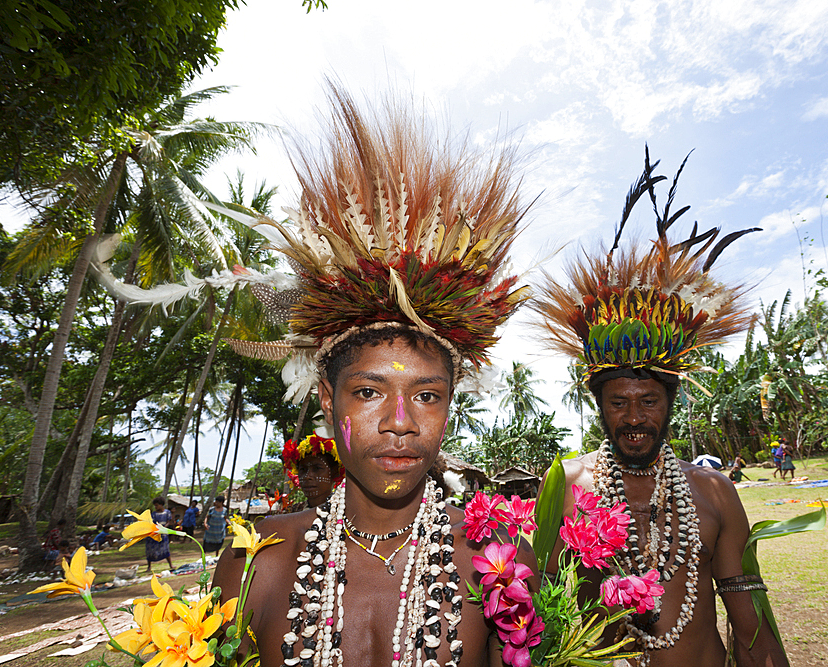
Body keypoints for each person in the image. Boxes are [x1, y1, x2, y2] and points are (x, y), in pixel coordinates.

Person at [212, 84, 537, 667]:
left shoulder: (499, 563)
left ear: (451, 405)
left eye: (427, 395)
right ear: (326, 399)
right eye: (367, 392)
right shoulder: (255, 560)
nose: (399, 424)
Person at [532, 151, 788, 667]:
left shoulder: (713, 491)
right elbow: (535, 619)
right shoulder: (565, 483)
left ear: (671, 402)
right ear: (598, 407)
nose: (633, 417)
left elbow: (749, 621)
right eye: (618, 402)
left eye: (648, 401)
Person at [281, 433, 344, 508]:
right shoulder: (290, 514)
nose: (307, 476)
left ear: (335, 472)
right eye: (303, 469)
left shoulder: (348, 513)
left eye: (317, 468)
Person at [144, 497, 174, 573]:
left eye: (157, 505)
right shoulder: (153, 514)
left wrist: (163, 528)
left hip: (163, 533)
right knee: (150, 550)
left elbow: (168, 521)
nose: (156, 507)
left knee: (166, 549)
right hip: (154, 533)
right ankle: (149, 567)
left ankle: (171, 565)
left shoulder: (167, 512)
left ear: (161, 505)